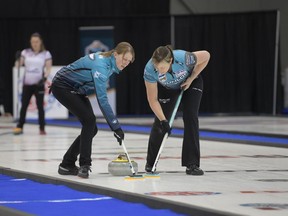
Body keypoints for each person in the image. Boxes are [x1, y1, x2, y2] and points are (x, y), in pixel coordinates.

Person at [50, 42, 135, 178]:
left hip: (76, 89)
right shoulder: (101, 66)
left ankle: (67, 164)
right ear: (115, 54)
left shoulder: (109, 63)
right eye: (124, 59)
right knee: (89, 121)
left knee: (91, 127)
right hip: (62, 86)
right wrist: (116, 127)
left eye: (129, 61)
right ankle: (85, 165)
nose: (125, 63)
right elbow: (102, 100)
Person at [143, 45, 210, 175]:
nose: (159, 70)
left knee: (190, 117)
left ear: (171, 61)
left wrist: (191, 78)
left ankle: (192, 164)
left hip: (191, 82)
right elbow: (153, 100)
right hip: (168, 88)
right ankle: (151, 163)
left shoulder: (184, 58)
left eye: (162, 67)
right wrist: (164, 121)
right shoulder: (149, 69)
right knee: (160, 122)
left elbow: (206, 55)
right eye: (157, 67)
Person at [14, 33, 52, 135]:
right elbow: (18, 65)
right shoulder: (25, 52)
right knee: (24, 105)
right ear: (30, 42)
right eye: (33, 42)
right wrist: (17, 59)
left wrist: (44, 78)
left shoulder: (46, 54)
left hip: (38, 84)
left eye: (36, 42)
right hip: (27, 83)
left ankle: (42, 128)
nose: (34, 44)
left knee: (40, 106)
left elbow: (48, 68)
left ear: (40, 42)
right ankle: (20, 126)